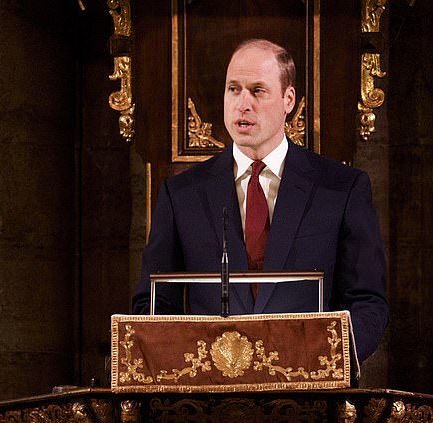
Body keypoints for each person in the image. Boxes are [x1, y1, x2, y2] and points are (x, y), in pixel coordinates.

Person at [133, 39, 388, 362]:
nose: (243, 104)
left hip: (311, 394)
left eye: (257, 91)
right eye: (233, 89)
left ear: (288, 99)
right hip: (209, 398)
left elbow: (368, 301)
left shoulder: (342, 189)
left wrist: (332, 364)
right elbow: (154, 304)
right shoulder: (181, 195)